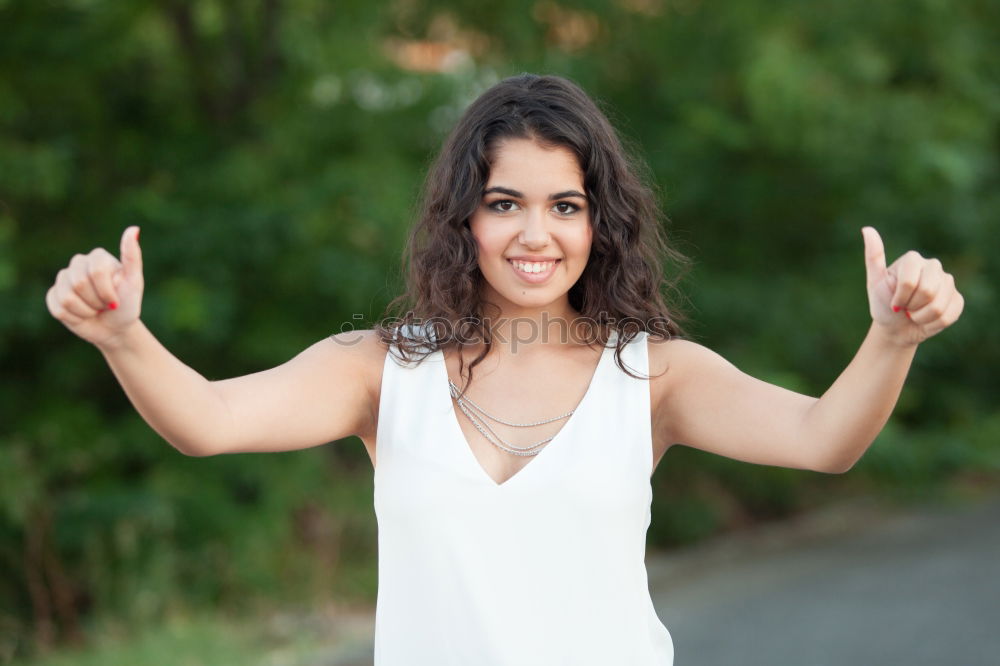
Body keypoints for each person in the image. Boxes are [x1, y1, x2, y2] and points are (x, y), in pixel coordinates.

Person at [45, 73, 964, 665]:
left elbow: (825, 441)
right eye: (503, 203)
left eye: (566, 204)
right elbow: (206, 421)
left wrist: (890, 339)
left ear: (598, 222)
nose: (536, 234)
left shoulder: (656, 375)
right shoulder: (379, 370)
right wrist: (123, 334)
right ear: (464, 221)